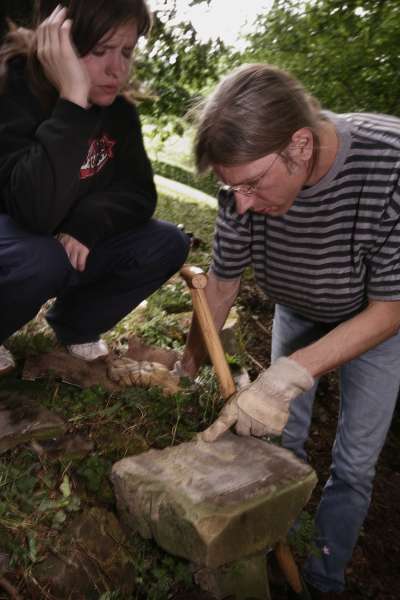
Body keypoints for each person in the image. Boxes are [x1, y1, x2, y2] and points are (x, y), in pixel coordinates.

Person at [180, 63, 400, 597]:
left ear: (301, 145)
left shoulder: (391, 163)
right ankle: (272, 544)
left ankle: (323, 579)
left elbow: (391, 307)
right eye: (233, 189)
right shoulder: (242, 179)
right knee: (280, 437)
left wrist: (289, 375)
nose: (243, 204)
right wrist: (187, 364)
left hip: (378, 324)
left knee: (353, 463)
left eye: (253, 185)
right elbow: (223, 284)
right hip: (298, 310)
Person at [0, 0, 190, 374]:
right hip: (16, 246)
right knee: (41, 257)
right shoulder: (11, 90)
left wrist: (87, 223)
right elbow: (32, 211)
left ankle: (76, 325)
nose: (117, 69)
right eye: (100, 51)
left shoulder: (119, 113)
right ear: (57, 44)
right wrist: (73, 98)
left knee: (168, 242)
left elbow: (139, 193)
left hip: (62, 248)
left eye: (126, 51)